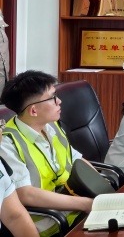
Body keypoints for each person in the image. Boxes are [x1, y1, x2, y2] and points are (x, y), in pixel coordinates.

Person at [0, 70, 93, 236]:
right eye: (53, 97)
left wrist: (101, 189)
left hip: (75, 209)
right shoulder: (8, 143)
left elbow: (76, 159)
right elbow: (26, 194)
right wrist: (85, 204)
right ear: (33, 111)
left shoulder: (50, 126)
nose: (59, 101)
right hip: (50, 223)